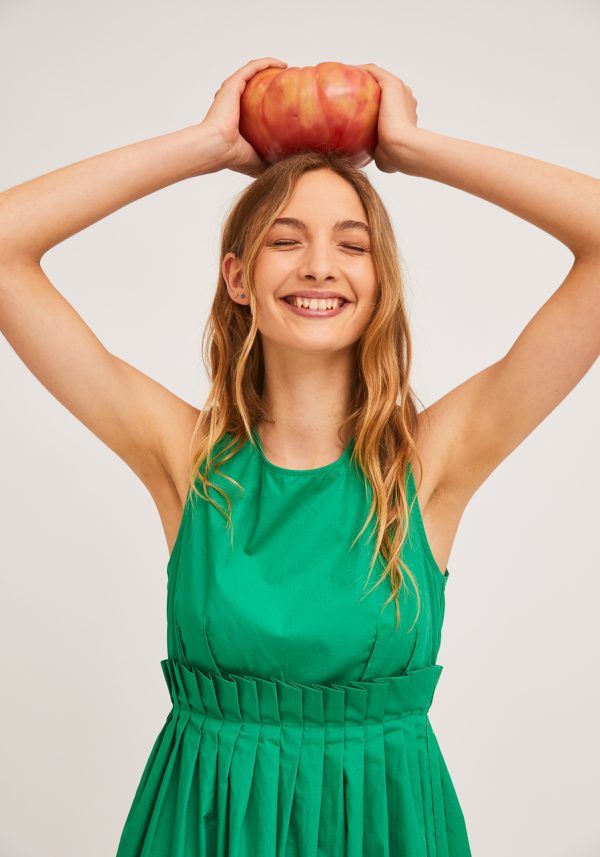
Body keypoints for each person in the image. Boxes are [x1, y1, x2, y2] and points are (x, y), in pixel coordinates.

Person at [1, 55, 598, 856]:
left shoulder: (432, 463)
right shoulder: (187, 460)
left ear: (380, 279)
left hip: (389, 833)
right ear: (238, 277)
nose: (319, 264)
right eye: (286, 240)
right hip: (202, 831)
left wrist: (414, 148)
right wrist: (206, 143)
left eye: (352, 245)